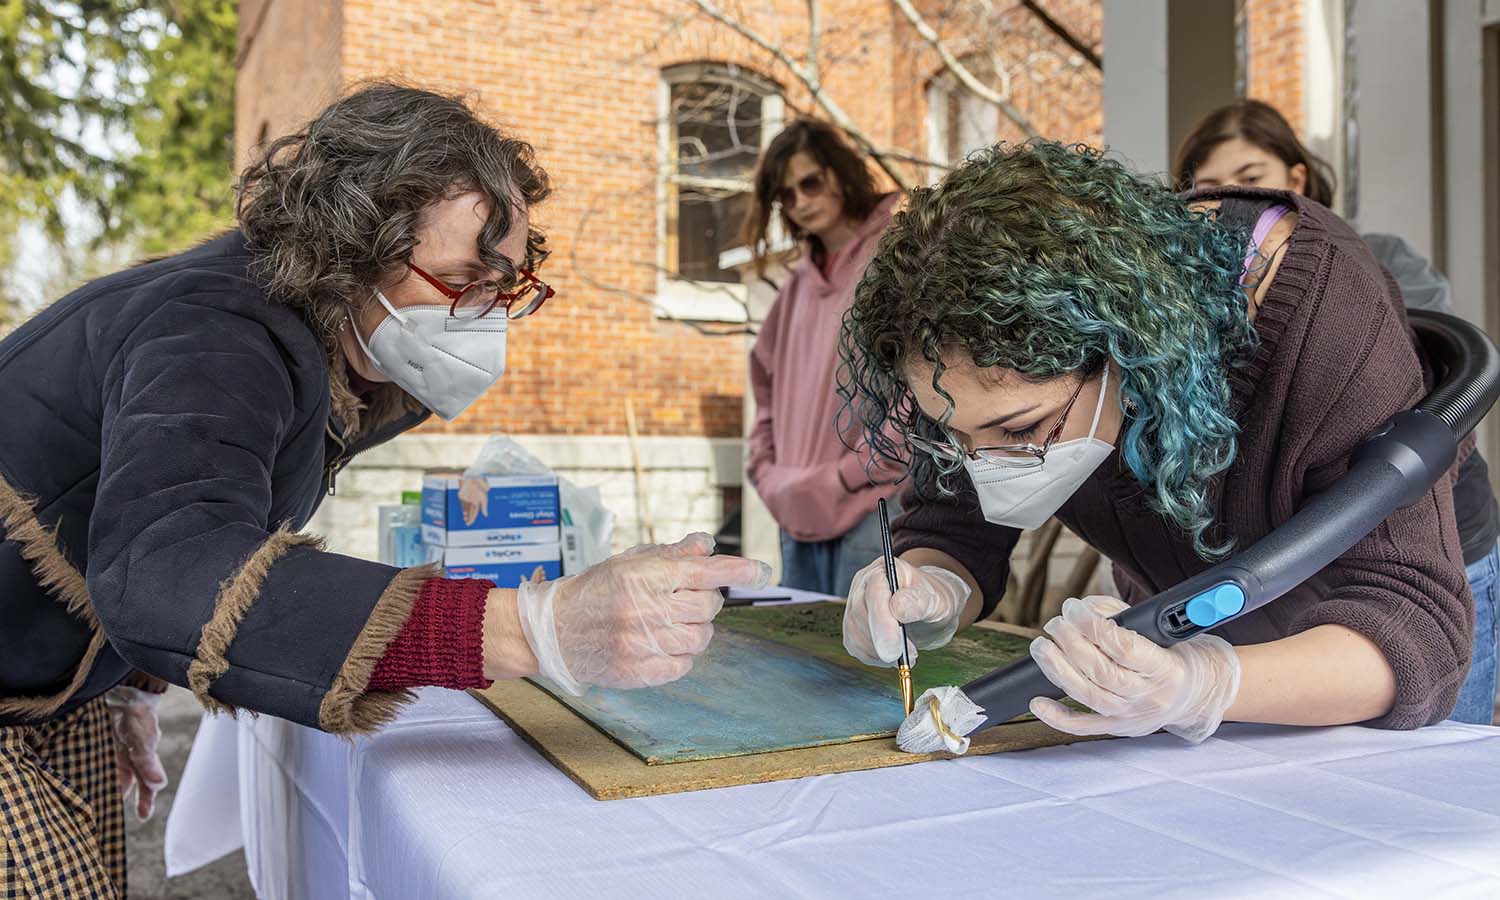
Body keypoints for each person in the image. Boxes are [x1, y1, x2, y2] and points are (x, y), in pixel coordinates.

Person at [0, 83, 770, 896]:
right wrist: (531, 625)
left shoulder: (320, 342)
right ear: (350, 247)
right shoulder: (215, 330)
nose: (485, 316)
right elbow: (173, 565)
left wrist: (124, 684)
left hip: (47, 684)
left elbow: (163, 497)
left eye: (505, 287)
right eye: (465, 281)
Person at [836, 140, 1478, 744]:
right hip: (1189, 607)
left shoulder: (1326, 315)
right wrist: (926, 587)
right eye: (954, 435)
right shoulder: (990, 368)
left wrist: (1205, 686)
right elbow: (955, 527)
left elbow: (1416, 629)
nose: (984, 467)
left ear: (1129, 353)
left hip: (1390, 608)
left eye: (1021, 430)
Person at [1174, 99, 1499, 725]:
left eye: (1251, 176)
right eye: (1212, 186)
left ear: (1294, 177)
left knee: (1442, 751)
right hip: (1290, 555)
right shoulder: (1196, 299)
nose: (1237, 199)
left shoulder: (1382, 261)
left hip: (1433, 535)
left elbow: (1400, 377)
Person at [742, 119, 903, 597]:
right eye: (786, 195)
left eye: (810, 182)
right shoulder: (796, 286)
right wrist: (767, 472)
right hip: (795, 511)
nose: (801, 202)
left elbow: (928, 383)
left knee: (875, 661)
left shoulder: (898, 257)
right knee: (804, 665)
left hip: (876, 505)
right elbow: (764, 386)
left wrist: (856, 471)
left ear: (840, 172)